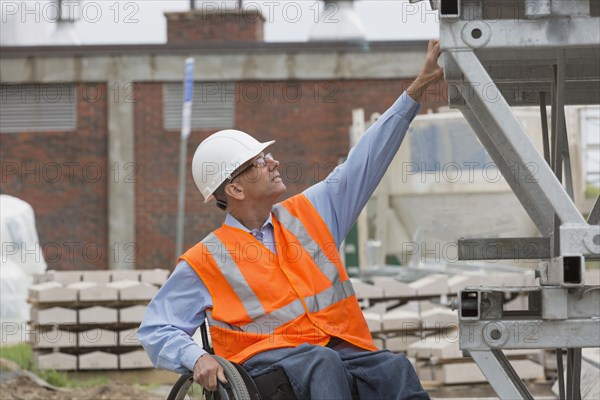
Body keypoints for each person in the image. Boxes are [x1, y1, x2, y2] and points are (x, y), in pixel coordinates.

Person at [139, 39, 443, 399]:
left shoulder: (311, 213)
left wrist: (416, 92)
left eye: (269, 155)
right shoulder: (204, 260)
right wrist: (195, 358)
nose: (274, 163)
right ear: (234, 189)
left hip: (335, 351)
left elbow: (364, 161)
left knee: (394, 369)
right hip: (263, 372)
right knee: (321, 363)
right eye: (260, 162)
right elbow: (157, 329)